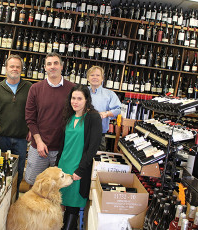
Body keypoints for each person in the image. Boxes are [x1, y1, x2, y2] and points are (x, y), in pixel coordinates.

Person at [0, 54, 32, 195]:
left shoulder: (29, 87)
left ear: (21, 69)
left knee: (17, 175)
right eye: (12, 66)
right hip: (1, 138)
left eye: (18, 67)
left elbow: (34, 111)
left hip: (21, 139)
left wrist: (31, 129)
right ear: (6, 68)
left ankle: (14, 201)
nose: (15, 69)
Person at [56, 84, 102, 230]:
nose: (75, 102)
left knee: (73, 206)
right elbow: (63, 144)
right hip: (64, 166)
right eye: (73, 98)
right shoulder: (69, 116)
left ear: (87, 100)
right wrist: (57, 167)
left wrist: (81, 170)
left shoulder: (93, 117)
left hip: (78, 167)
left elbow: (93, 148)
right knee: (61, 202)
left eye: (79, 99)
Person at [24, 52, 75, 185]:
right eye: (49, 64)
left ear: (62, 67)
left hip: (63, 149)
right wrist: (39, 141)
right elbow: (30, 117)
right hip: (39, 147)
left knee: (61, 186)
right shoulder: (35, 88)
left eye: (56, 63)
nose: (52, 66)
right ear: (45, 68)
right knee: (34, 183)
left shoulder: (73, 89)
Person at [87, 66, 121, 151]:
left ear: (102, 78)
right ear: (88, 78)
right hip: (81, 133)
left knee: (97, 161)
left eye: (98, 75)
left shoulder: (109, 94)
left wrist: (106, 114)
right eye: (92, 75)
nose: (95, 77)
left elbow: (119, 109)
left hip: (99, 135)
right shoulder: (83, 92)